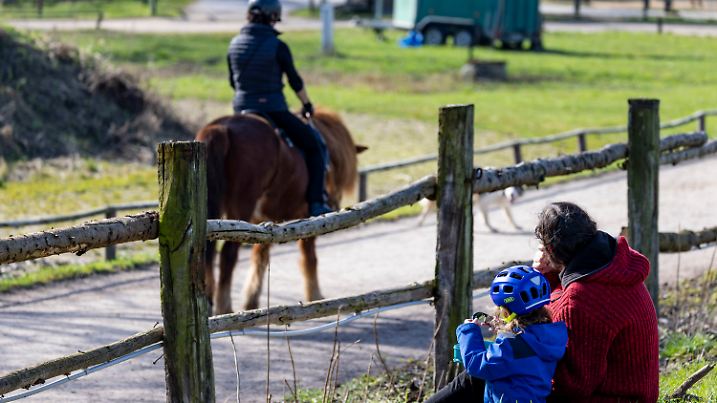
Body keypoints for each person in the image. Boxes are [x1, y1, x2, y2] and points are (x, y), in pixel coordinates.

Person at [533, 202, 659, 402]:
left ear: (549, 249)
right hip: (634, 395)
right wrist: (546, 276)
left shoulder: (580, 299)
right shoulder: (613, 266)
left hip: (608, 397)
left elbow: (572, 387)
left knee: (495, 377)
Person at [227, 0, 332, 216]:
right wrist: (306, 104)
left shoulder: (234, 43)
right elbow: (294, 80)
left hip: (242, 110)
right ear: (273, 17)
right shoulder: (277, 46)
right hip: (273, 109)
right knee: (315, 146)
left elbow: (233, 82)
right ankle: (316, 202)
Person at [428, 265, 568, 403]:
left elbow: (477, 364)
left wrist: (468, 331)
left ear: (506, 313)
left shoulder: (513, 344)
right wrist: (504, 328)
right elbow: (521, 355)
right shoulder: (550, 336)